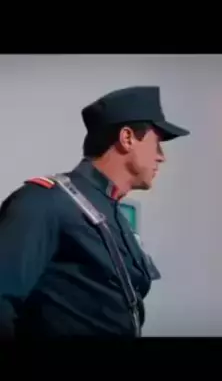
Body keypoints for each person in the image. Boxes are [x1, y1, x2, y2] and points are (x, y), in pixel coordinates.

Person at [0, 86, 189, 337]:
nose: (161, 157)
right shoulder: (44, 201)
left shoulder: (116, 216)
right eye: (156, 144)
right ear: (127, 138)